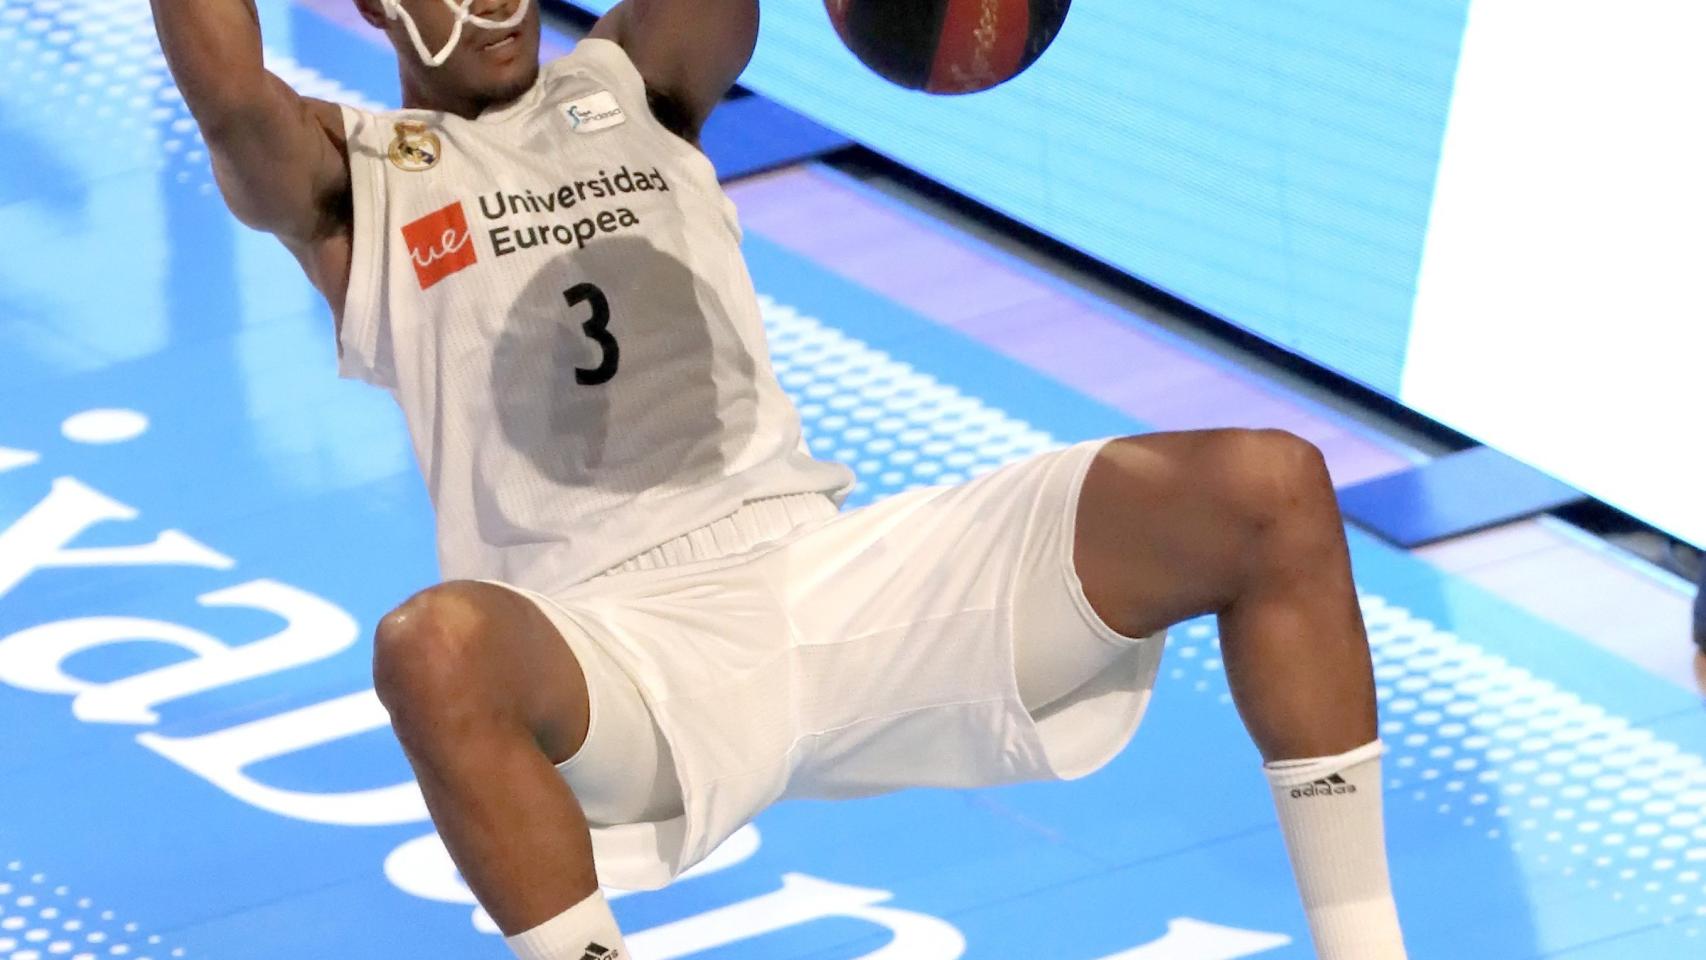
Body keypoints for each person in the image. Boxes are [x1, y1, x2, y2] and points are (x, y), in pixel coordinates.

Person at [148, 0, 1409, 956]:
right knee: (432, 650)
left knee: (1265, 491)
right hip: (616, 651)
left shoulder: (637, 79)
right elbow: (223, 92)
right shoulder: (350, 179)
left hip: (828, 573)